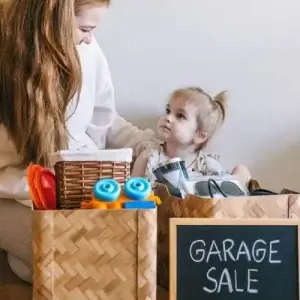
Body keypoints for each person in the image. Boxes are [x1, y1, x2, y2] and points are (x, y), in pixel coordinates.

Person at [0, 0, 156, 283]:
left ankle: (27, 262)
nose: (90, 37)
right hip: (12, 199)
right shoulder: (7, 62)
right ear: (53, 20)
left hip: (74, 195)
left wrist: (149, 144)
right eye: (84, 27)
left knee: (123, 256)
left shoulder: (88, 51)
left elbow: (105, 121)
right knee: (78, 267)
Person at [132, 87, 251, 184]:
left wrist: (240, 175)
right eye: (168, 111)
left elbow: (218, 198)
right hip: (154, 212)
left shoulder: (207, 166)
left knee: (241, 172)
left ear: (200, 135)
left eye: (180, 116)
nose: (168, 118)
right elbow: (131, 193)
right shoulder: (150, 157)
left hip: (192, 213)